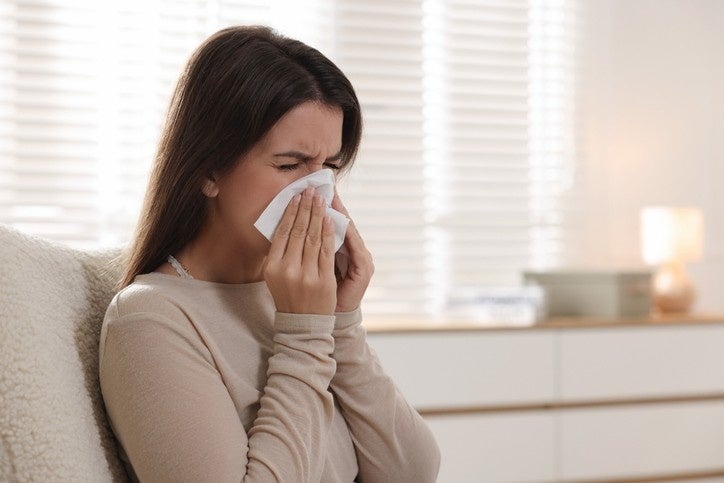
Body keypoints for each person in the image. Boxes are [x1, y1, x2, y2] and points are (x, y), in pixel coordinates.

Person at [99, 25, 441, 482]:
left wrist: (342, 324)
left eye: (329, 168)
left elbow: (412, 473)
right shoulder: (150, 321)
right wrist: (303, 335)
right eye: (289, 165)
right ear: (208, 170)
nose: (316, 191)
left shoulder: (289, 296)